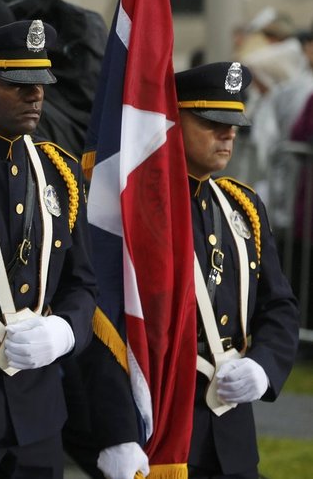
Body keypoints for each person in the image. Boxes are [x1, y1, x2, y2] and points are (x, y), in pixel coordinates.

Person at [87, 61, 300, 479]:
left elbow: (279, 305)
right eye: (210, 121)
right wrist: (117, 433)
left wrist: (263, 365)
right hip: (164, 424)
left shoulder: (243, 207)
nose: (229, 133)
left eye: (234, 123)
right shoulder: (135, 216)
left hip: (232, 431)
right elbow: (107, 326)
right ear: (170, 123)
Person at [0, 19, 98, 476]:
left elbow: (82, 284)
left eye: (41, 83)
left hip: (39, 413)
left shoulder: (59, 172)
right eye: (16, 83)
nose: (35, 95)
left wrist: (64, 332)